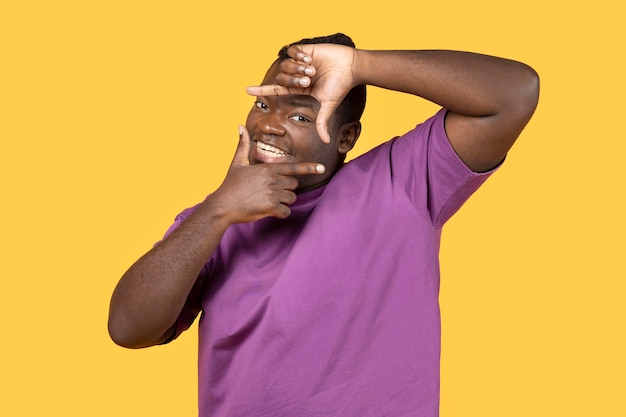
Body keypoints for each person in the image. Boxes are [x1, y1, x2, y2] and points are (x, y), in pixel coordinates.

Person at [108, 33, 539, 416]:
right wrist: (218, 209)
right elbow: (128, 329)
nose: (269, 125)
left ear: (347, 137)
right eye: (263, 103)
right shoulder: (214, 223)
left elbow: (515, 93)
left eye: (299, 116)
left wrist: (358, 67)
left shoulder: (401, 179)